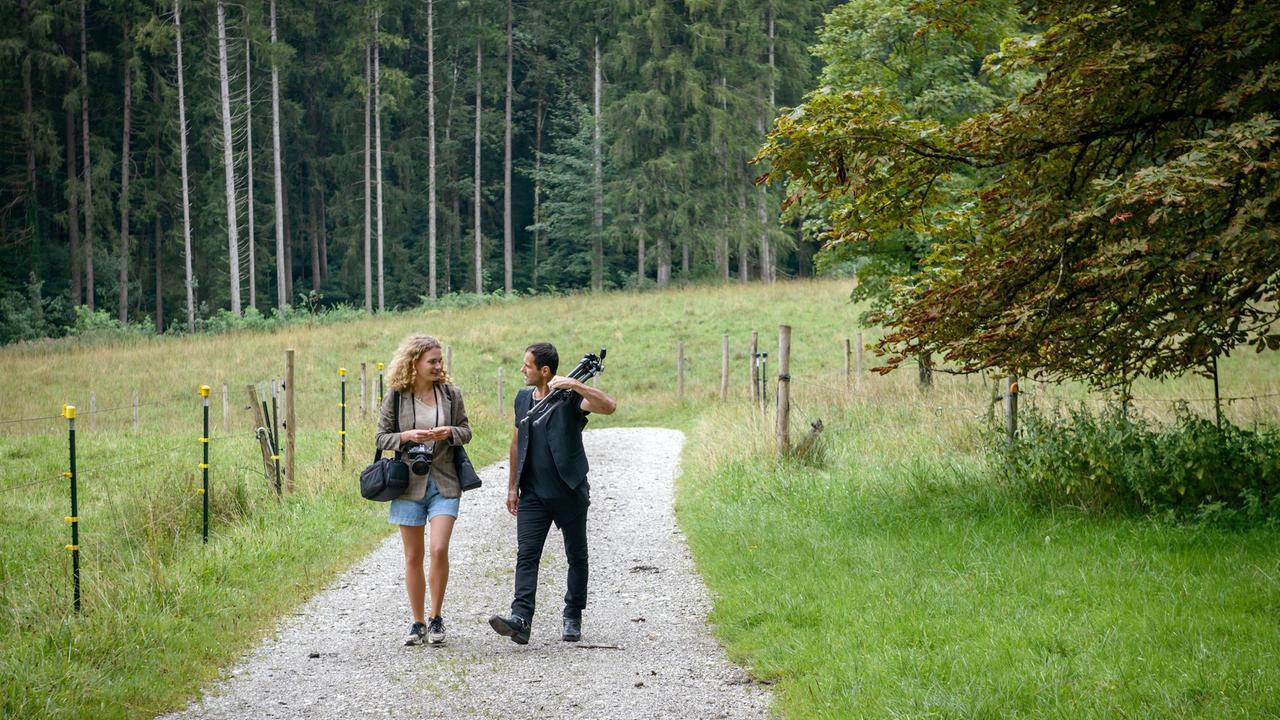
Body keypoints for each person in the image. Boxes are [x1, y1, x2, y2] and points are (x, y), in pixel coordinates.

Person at [489, 342, 617, 645]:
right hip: (532, 493)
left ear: (544, 371)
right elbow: (517, 442)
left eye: (527, 365)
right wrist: (512, 487)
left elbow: (609, 406)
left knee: (576, 555)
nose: (522, 370)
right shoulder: (523, 399)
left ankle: (573, 613)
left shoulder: (570, 398)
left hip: (569, 490)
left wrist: (574, 384)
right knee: (527, 555)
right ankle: (520, 620)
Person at [375, 334, 472, 646]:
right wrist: (407, 436)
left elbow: (467, 432)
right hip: (407, 485)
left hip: (444, 481)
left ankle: (436, 616)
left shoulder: (450, 394)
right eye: (432, 361)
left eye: (439, 360)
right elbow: (380, 438)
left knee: (439, 549)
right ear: (413, 362)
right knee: (413, 556)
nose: (438, 366)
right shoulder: (396, 396)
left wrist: (450, 432)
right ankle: (417, 622)